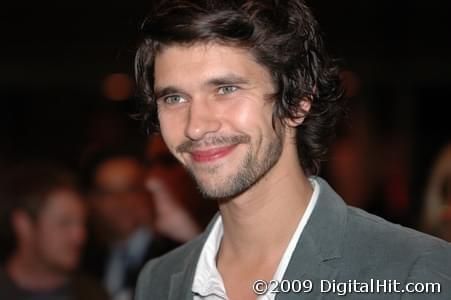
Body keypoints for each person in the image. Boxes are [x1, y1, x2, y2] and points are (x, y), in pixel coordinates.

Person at [133, 1, 451, 299]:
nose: (195, 126)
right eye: (173, 98)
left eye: (226, 89)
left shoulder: (413, 271)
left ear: (298, 102)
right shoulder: (159, 280)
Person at [0, 162, 108, 300]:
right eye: (64, 223)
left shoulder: (95, 294)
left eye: (83, 223)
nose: (79, 236)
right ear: (23, 225)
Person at [81, 149, 179, 300]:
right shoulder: (83, 260)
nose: (122, 202)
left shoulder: (177, 254)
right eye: (109, 193)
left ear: (148, 191)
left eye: (131, 189)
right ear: (93, 200)